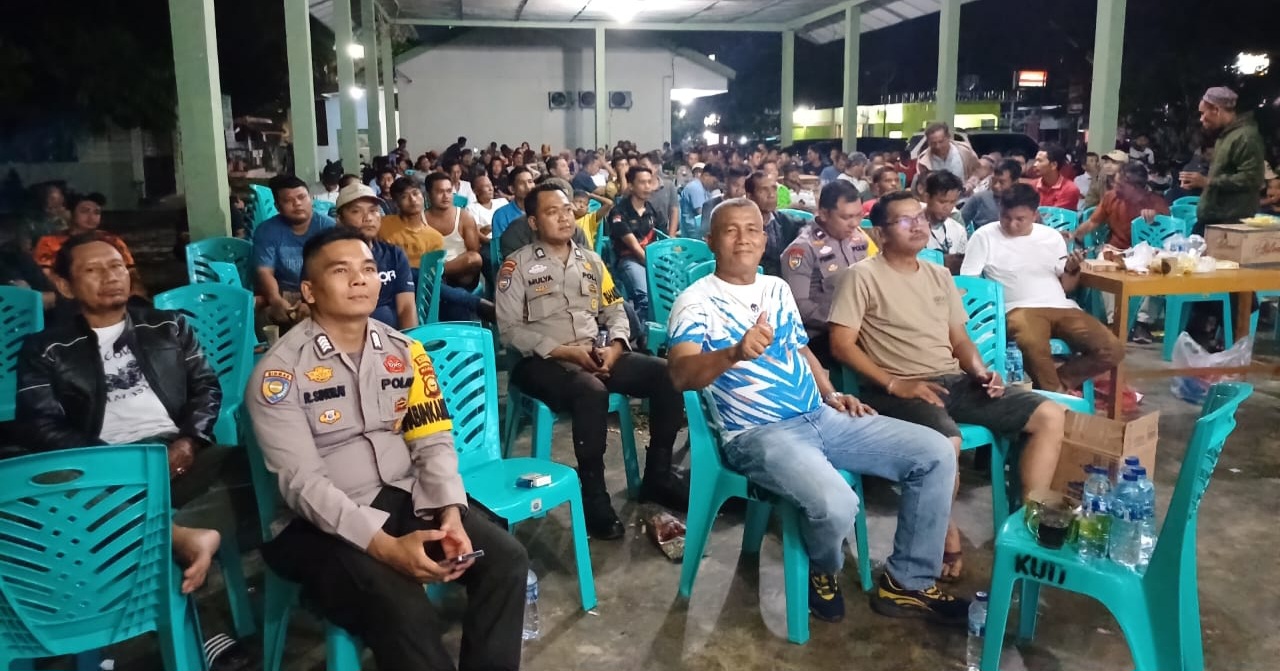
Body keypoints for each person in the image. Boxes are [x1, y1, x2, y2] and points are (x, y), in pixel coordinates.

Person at [666, 197, 968, 625]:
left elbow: (801, 348)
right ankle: (823, 570)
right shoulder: (696, 301)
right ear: (711, 240)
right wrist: (733, 352)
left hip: (821, 416)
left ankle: (908, 583)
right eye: (731, 230)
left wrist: (829, 393)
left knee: (936, 452)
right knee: (836, 503)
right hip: (759, 434)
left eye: (752, 229)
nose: (744, 239)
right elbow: (680, 374)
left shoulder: (775, 288)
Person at [249, 227, 528, 671]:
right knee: (402, 605)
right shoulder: (279, 373)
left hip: (404, 494)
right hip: (317, 525)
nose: (360, 279)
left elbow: (432, 439)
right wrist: (383, 548)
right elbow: (302, 484)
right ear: (309, 290)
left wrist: (449, 512)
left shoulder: (406, 351)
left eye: (368, 269)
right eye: (341, 271)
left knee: (505, 559)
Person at [16, 233, 249, 666]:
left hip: (178, 454)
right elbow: (41, 425)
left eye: (117, 266)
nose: (110, 277)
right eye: (92, 269)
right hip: (103, 468)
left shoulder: (169, 325)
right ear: (65, 286)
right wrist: (115, 466)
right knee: (95, 499)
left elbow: (205, 388)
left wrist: (189, 441)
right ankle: (201, 612)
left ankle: (175, 544)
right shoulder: (44, 349)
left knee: (248, 465)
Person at [828, 191, 1066, 582]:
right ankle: (944, 530)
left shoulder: (939, 275)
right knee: (946, 443)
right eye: (905, 220)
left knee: (1048, 414)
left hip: (952, 380)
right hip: (896, 388)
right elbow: (840, 344)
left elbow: (959, 339)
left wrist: (981, 372)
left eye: (920, 217)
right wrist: (894, 382)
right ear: (880, 233)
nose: (918, 224)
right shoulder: (861, 277)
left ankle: (1029, 523)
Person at [496, 184, 687, 539]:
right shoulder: (516, 266)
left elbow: (615, 308)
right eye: (553, 212)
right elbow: (509, 331)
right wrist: (566, 352)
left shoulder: (591, 262)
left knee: (667, 374)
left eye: (568, 209)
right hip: (541, 363)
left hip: (594, 353)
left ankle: (658, 476)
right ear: (534, 222)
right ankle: (594, 496)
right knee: (591, 390)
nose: (565, 217)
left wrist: (615, 346)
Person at [961, 184, 1124, 392]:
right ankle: (1055, 397)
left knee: (1112, 349)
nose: (1011, 225)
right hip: (1017, 309)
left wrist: (1072, 268)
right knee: (1033, 345)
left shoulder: (1051, 236)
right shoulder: (984, 236)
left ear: (1034, 214)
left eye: (1020, 219)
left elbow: (1067, 286)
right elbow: (970, 283)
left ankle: (1056, 389)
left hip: (1062, 306)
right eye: (1005, 217)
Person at [781, 180, 877, 369]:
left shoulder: (858, 238)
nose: (855, 224)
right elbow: (799, 307)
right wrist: (843, 322)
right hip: (823, 336)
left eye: (858, 216)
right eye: (846, 217)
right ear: (823, 213)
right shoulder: (801, 250)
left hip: (863, 326)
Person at [380, 177, 495, 323]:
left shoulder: (434, 237)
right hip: (390, 284)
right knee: (407, 272)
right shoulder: (383, 225)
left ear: (422, 197)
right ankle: (474, 303)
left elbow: (434, 274)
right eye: (404, 196)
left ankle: (462, 340)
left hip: (423, 288)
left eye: (415, 194)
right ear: (395, 202)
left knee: (453, 305)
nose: (412, 199)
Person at [253, 174, 336, 328]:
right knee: (264, 319)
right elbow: (265, 272)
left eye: (301, 197)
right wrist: (275, 300)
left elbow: (334, 270)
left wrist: (312, 300)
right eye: (288, 201)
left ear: (311, 198)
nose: (297, 203)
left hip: (321, 291)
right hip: (283, 295)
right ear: (278, 207)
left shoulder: (328, 228)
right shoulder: (267, 231)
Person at [33, 192, 148, 299]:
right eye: (84, 211)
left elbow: (130, 270)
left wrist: (135, 294)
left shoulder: (112, 240)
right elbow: (46, 275)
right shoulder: (50, 242)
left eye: (96, 212)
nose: (91, 217)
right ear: (70, 214)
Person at [1182, 86, 1266, 233]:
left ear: (1216, 110)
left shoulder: (1246, 137)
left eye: (1203, 113)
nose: (1201, 119)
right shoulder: (1227, 135)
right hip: (1215, 218)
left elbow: (1252, 178)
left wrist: (1208, 182)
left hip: (1230, 223)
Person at [333, 184, 416, 329]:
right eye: (356, 211)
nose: (368, 218)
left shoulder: (394, 254)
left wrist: (408, 345)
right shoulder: (328, 258)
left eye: (373, 210)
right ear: (340, 219)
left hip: (391, 339)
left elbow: (406, 307)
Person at [608, 166, 667, 322]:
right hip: (630, 260)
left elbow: (665, 240)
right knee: (646, 298)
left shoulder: (653, 211)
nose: (647, 187)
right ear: (632, 186)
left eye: (649, 182)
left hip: (653, 260)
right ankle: (642, 334)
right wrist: (653, 268)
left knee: (670, 294)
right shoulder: (619, 212)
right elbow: (634, 248)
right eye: (642, 182)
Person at [421, 172, 484, 289]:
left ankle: (440, 273)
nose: (446, 196)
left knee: (475, 258)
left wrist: (443, 269)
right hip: (430, 271)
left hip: (460, 274)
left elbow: (474, 251)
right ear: (428, 195)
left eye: (449, 191)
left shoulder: (464, 217)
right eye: (440, 192)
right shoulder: (420, 219)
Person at [745, 170, 807, 277]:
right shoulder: (742, 226)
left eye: (774, 189)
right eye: (764, 190)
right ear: (750, 196)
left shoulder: (785, 221)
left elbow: (808, 227)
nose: (771, 195)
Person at [920, 171, 969, 274]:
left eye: (952, 202)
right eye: (942, 202)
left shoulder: (959, 230)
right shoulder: (911, 227)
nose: (947, 208)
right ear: (927, 197)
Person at [961, 159, 1022, 229]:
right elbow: (958, 223)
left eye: (1002, 182)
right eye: (993, 181)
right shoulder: (979, 198)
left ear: (1015, 182)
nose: (996, 186)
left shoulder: (1024, 202)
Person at [915, 122, 980, 181]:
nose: (938, 146)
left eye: (941, 141)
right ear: (928, 142)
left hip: (965, 193)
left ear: (948, 137)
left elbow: (978, 171)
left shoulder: (965, 152)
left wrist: (971, 184)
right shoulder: (923, 161)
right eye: (933, 143)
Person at [639, 152, 680, 237]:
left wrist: (671, 236)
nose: (641, 169)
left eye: (644, 166)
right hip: (641, 234)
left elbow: (674, 211)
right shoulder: (637, 187)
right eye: (640, 166)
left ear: (656, 167)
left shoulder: (668, 186)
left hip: (662, 232)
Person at [1032, 143, 1082, 210]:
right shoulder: (1032, 186)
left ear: (1054, 165)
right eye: (1036, 160)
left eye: (1040, 161)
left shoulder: (1070, 189)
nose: (1035, 164)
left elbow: (1055, 217)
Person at [701, 165, 751, 232]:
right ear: (726, 182)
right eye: (736, 185)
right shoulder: (710, 205)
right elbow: (705, 233)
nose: (739, 190)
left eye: (743, 187)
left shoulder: (749, 207)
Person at [679, 163, 720, 239]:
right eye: (714, 182)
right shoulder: (695, 187)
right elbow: (702, 213)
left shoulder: (706, 189)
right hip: (693, 235)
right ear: (706, 176)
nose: (715, 185)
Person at [465, 173, 508, 244]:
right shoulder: (471, 208)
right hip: (489, 245)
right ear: (475, 191)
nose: (491, 189)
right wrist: (493, 244)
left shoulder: (502, 202)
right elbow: (476, 233)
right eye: (486, 186)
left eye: (491, 185)